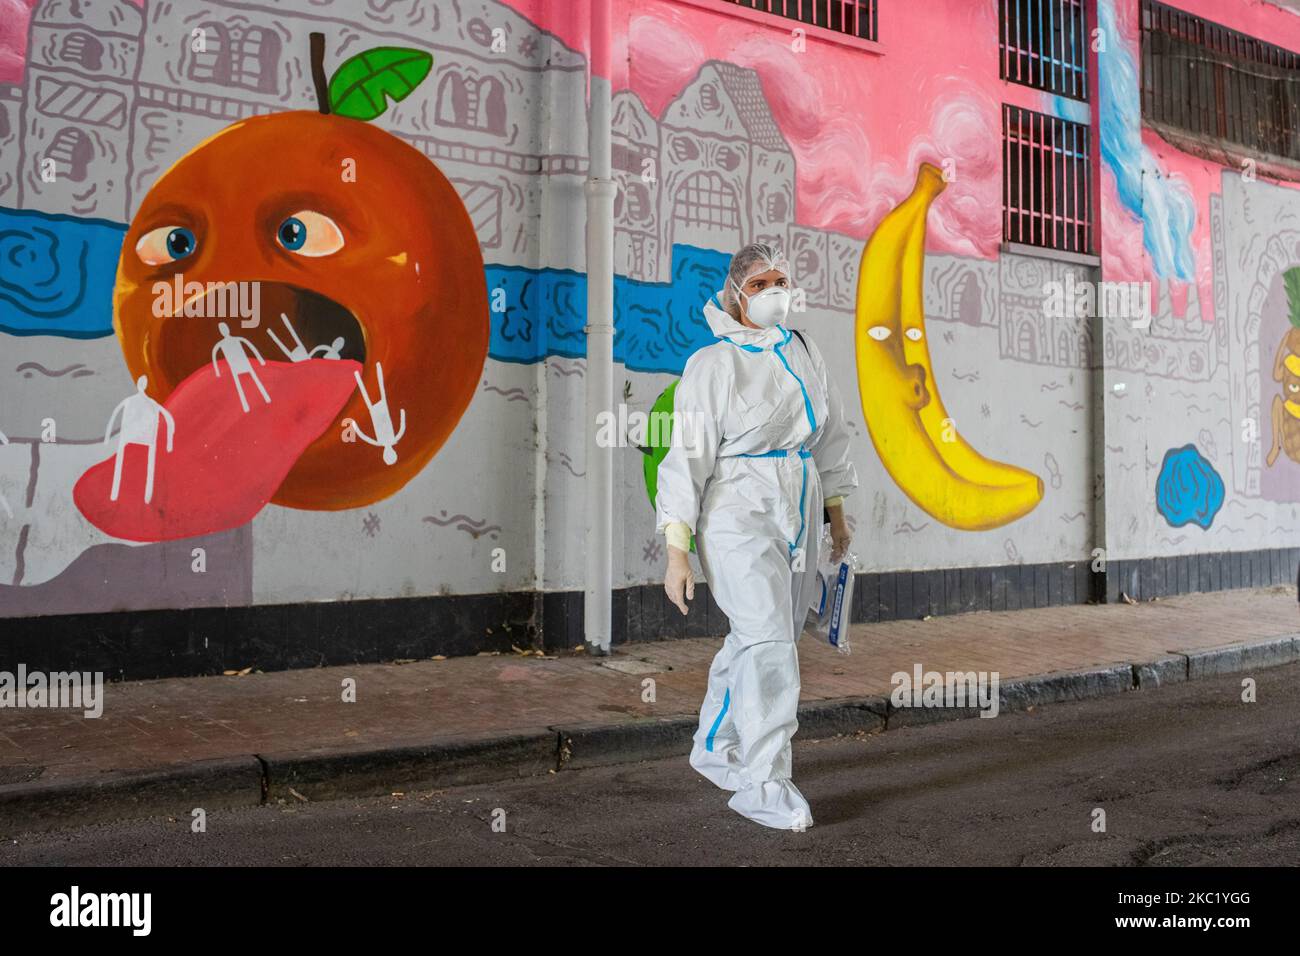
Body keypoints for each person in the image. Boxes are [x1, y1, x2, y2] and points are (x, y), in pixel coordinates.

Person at [656, 242, 858, 830]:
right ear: (736, 294)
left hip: (799, 498)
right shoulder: (712, 365)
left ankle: (716, 746)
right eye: (761, 282)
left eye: (781, 280)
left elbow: (833, 437)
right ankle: (764, 782)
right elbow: (685, 459)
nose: (774, 291)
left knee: (764, 636)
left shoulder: (804, 350)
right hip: (737, 508)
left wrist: (836, 516)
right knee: (768, 641)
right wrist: (678, 550)